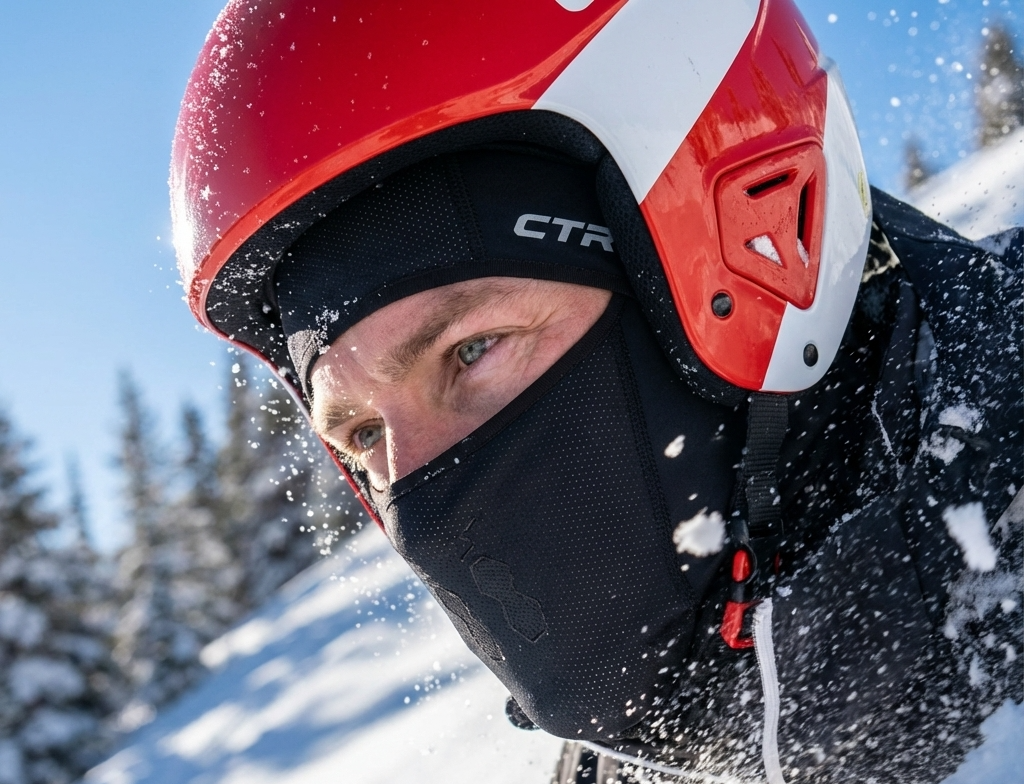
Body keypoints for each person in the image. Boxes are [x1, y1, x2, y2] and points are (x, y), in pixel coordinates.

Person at [170, 1, 1022, 781]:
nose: (422, 500)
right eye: (360, 434)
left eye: (472, 351)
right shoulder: (639, 761)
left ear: (740, 243)